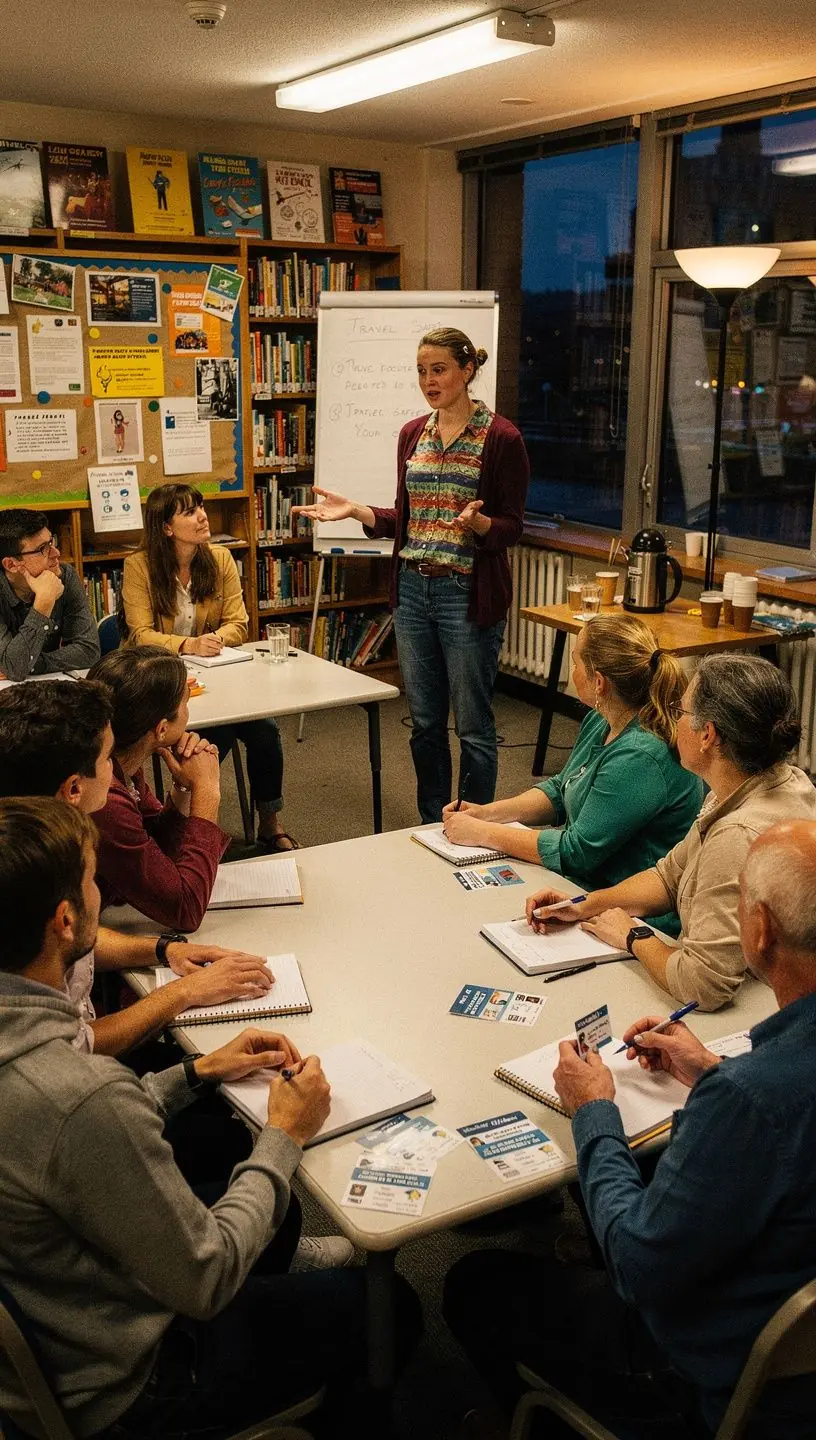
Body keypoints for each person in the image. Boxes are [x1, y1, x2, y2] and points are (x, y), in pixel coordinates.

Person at [0, 797, 410, 1438]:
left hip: (56, 1321)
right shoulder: (79, 1094)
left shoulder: (37, 1063)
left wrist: (195, 1073)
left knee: (272, 1212)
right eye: (91, 880)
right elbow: (207, 1275)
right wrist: (284, 1135)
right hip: (132, 1383)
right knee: (390, 1310)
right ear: (63, 921)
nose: (100, 892)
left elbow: (75, 1132)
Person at [444, 818, 816, 1439]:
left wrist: (593, 1110)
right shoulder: (758, 1088)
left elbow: (637, 1265)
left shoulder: (749, 1103)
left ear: (759, 930)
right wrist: (710, 1070)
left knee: (473, 1284)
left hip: (719, 1383)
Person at [294, 327, 530, 822]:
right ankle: (432, 821)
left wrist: (482, 524)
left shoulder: (501, 437)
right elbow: (408, 518)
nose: (429, 380)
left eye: (439, 369)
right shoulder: (412, 433)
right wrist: (357, 510)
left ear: (467, 370)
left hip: (464, 592)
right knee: (424, 722)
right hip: (412, 589)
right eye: (422, 371)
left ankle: (475, 825)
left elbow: (512, 527)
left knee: (472, 726)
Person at [525, 652, 816, 1010]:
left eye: (682, 712)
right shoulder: (768, 782)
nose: (674, 721)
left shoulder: (737, 833)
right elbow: (668, 876)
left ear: (708, 735)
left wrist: (633, 936)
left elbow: (702, 984)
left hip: (750, 1015)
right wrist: (586, 905)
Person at [0, 679, 273, 1056]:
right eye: (108, 758)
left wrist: (162, 950)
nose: (116, 769)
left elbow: (73, 933)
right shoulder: (27, 873)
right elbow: (77, 1047)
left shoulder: (31, 842)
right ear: (74, 789)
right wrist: (184, 992)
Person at [442, 614, 703, 911]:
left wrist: (483, 834)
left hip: (626, 909)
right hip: (584, 887)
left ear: (600, 682)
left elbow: (575, 851)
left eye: (577, 663)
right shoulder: (601, 719)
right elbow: (560, 789)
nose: (574, 669)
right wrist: (486, 814)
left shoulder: (641, 755)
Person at [121, 483, 295, 853]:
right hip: (162, 684)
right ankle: (188, 821)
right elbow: (139, 635)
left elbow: (239, 622)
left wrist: (215, 638)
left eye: (201, 507)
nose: (202, 517)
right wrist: (187, 644)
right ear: (166, 527)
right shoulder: (138, 566)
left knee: (265, 729)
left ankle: (269, 821)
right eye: (189, 511)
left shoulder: (220, 560)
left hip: (216, 676)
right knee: (223, 730)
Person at [87, 644, 230, 930]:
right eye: (185, 703)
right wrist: (206, 792)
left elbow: (159, 854)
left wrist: (184, 790)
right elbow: (185, 909)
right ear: (162, 728)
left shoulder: (122, 762)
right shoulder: (104, 797)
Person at [0, 508, 100, 680]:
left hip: (44, 688)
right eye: (42, 549)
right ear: (11, 564)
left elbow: (89, 651)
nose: (56, 553)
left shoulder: (64, 575)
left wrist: (31, 665)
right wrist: (43, 605)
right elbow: (15, 669)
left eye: (51, 542)